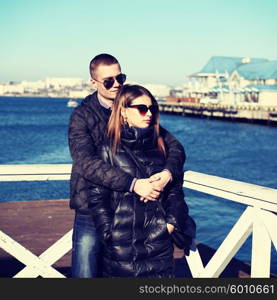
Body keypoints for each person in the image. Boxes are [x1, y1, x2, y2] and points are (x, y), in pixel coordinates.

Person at [68, 54, 186, 278]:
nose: (117, 84)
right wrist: (133, 184)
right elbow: (85, 163)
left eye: (120, 77)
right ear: (94, 82)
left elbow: (175, 147)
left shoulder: (136, 108)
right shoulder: (82, 116)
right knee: (85, 271)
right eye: (108, 81)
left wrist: (167, 173)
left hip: (134, 212)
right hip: (92, 206)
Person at [88, 84, 196, 277]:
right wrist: (109, 234)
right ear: (124, 112)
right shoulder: (108, 149)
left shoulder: (162, 146)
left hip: (159, 245)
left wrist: (169, 225)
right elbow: (97, 199)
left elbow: (175, 192)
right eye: (142, 108)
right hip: (120, 248)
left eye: (152, 108)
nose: (149, 114)